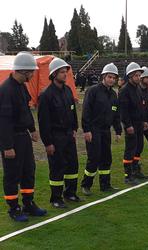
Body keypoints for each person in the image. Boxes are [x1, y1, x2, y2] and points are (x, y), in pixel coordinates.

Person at [0, 52, 46, 222]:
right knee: (12, 174)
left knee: (28, 170)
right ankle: (13, 208)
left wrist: (32, 129)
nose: (33, 75)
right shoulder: (5, 90)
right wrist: (7, 146)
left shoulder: (21, 87)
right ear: (23, 71)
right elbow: (3, 122)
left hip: (24, 137)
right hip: (12, 139)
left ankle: (28, 203)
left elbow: (26, 111)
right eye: (31, 72)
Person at [38, 58, 81, 208]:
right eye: (62, 72)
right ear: (54, 74)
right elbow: (44, 122)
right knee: (57, 167)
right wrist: (48, 143)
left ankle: (70, 193)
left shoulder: (68, 90)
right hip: (55, 136)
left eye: (66, 72)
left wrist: (75, 128)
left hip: (69, 135)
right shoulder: (46, 95)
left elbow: (73, 111)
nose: (65, 75)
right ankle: (56, 198)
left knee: (72, 165)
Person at [81, 63, 122, 195]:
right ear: (103, 76)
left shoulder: (114, 95)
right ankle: (86, 185)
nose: (112, 80)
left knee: (106, 158)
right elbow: (86, 111)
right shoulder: (93, 91)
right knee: (94, 157)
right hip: (93, 130)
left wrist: (118, 131)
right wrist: (86, 130)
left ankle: (105, 185)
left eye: (114, 78)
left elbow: (116, 114)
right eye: (109, 77)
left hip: (105, 131)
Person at [119, 62, 148, 185]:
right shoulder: (124, 90)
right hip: (130, 125)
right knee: (130, 149)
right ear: (130, 76)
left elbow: (140, 107)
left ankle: (136, 170)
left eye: (139, 75)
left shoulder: (137, 89)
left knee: (139, 147)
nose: (138, 77)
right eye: (136, 75)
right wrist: (127, 125)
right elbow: (123, 110)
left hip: (138, 124)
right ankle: (128, 175)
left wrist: (143, 121)